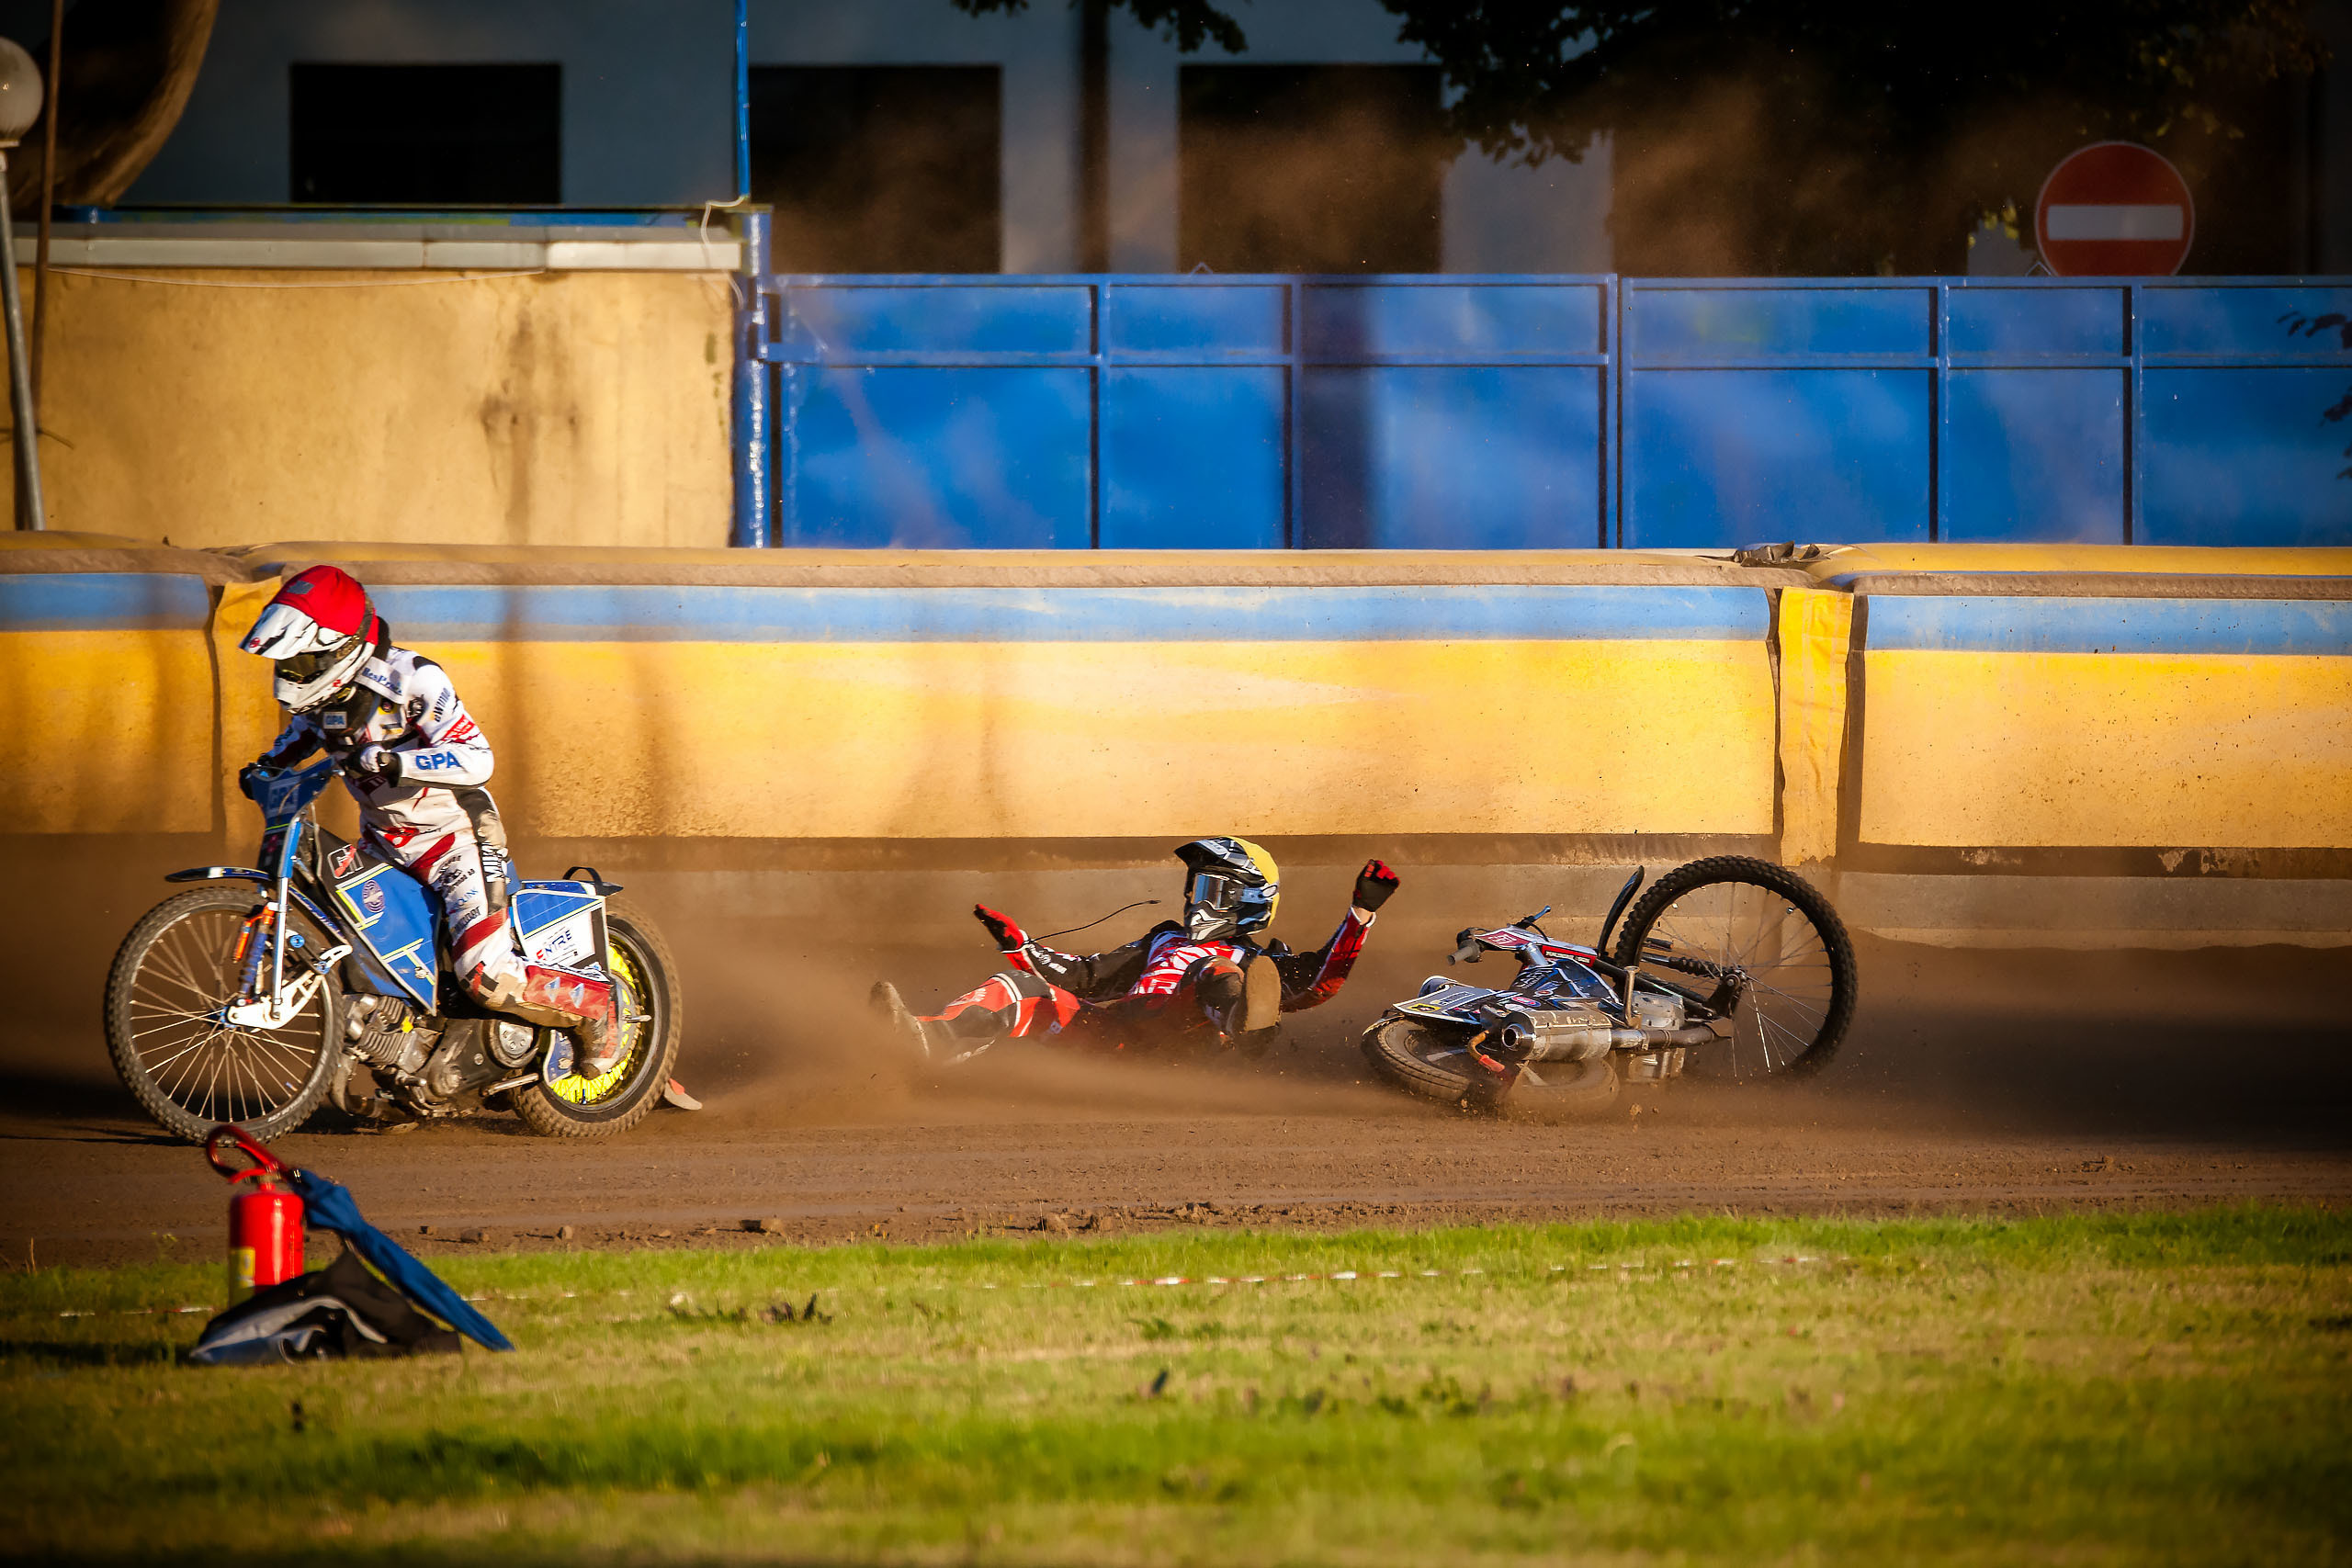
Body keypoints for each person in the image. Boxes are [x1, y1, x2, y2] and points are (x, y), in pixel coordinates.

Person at [236, 565, 628, 1080]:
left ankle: (597, 1008)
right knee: (363, 956)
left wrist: (399, 762)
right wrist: (263, 769)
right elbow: (292, 746)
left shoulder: (413, 678)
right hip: (384, 843)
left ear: (341, 646)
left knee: (483, 974)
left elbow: (478, 758)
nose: (295, 672)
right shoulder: (322, 698)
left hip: (456, 839)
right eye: (292, 661)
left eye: (305, 660)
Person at [870, 837, 1399, 1061]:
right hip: (1114, 1034)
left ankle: (1245, 1022)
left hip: (1183, 1050)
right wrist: (1020, 945)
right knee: (1021, 991)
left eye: (1211, 890)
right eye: (1195, 886)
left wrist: (1361, 913)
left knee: (1218, 969)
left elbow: (1318, 983)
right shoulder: (1162, 937)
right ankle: (921, 1041)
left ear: (1248, 903)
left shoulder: (1254, 958)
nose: (1197, 900)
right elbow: (1082, 976)